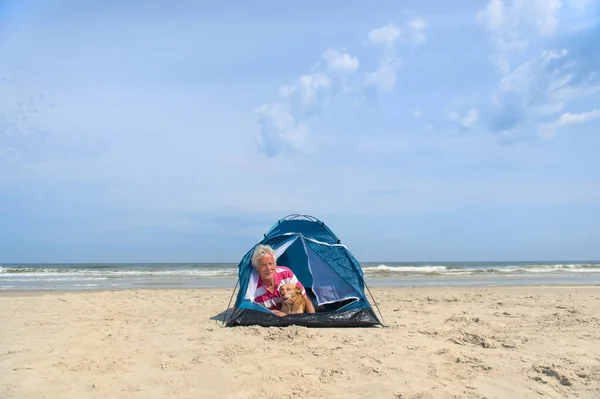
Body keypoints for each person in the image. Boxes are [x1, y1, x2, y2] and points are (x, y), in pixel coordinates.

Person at [250, 244, 316, 316]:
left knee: (318, 304)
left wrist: (313, 316)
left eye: (271, 263)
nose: (268, 268)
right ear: (256, 267)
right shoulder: (253, 286)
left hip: (300, 302)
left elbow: (304, 297)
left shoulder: (287, 274)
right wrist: (273, 312)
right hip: (277, 312)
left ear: (275, 264)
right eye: (263, 265)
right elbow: (252, 312)